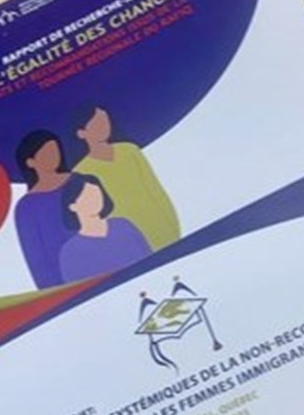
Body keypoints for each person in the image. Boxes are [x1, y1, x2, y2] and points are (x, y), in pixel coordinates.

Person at [73, 106, 181, 251]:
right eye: (96, 124)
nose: (103, 128)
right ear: (82, 133)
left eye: (104, 121)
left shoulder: (129, 151)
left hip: (155, 218)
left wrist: (169, 219)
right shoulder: (81, 170)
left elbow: (153, 187)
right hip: (123, 232)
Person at [59, 174, 152, 283]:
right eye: (87, 197)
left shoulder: (124, 226)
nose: (94, 201)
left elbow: (149, 258)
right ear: (72, 206)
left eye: (96, 194)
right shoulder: (71, 251)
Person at [14, 130, 76, 288]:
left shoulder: (79, 181)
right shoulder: (26, 207)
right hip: (62, 281)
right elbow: (36, 255)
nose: (53, 156)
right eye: (46, 153)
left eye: (54, 150)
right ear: (30, 162)